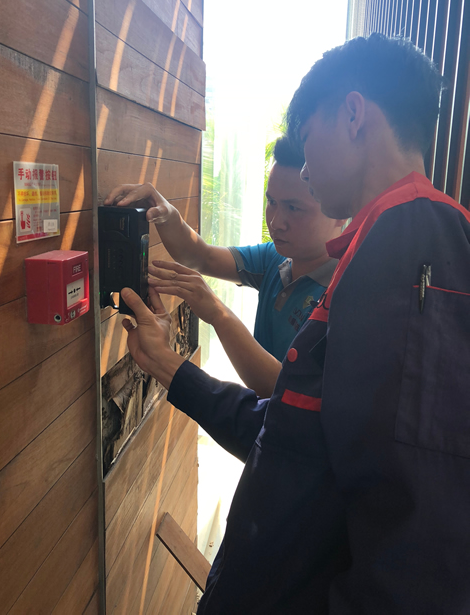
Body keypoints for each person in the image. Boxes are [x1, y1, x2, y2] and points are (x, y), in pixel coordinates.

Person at [120, 33, 470, 614]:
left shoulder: (416, 246)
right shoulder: (378, 244)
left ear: (353, 115)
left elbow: (418, 533)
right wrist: (168, 365)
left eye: (307, 139)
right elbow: (295, 433)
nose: (305, 169)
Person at [105, 137, 344, 397]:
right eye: (271, 202)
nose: (276, 222)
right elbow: (203, 257)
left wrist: (218, 314)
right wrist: (168, 216)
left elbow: (285, 393)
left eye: (294, 208)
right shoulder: (275, 257)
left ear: (339, 211)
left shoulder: (345, 295)